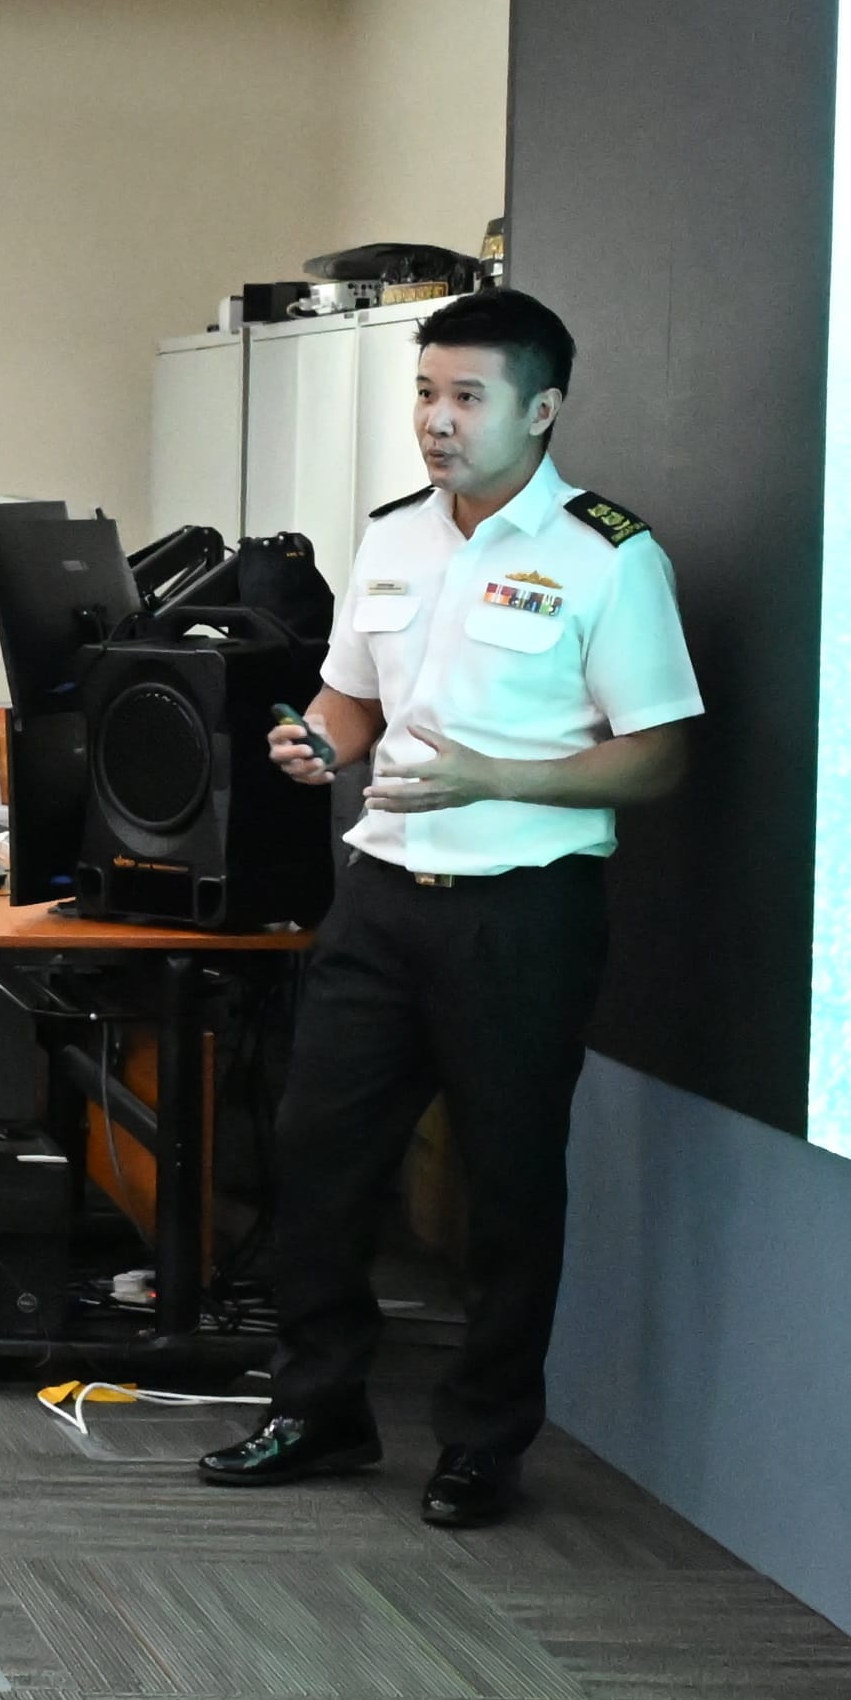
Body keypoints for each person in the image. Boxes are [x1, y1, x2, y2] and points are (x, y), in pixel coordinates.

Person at [202, 287, 696, 1527]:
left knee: (508, 1188)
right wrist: (312, 744)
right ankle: (317, 1410)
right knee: (316, 1160)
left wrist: (501, 778)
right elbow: (354, 702)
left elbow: (661, 754)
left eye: (467, 397)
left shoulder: (609, 555)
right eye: (426, 393)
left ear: (542, 408)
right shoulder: (391, 537)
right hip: (382, 899)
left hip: (523, 911)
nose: (438, 421)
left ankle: (483, 1443)